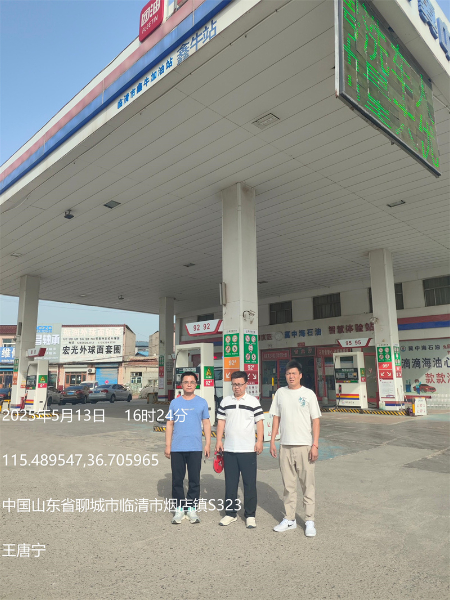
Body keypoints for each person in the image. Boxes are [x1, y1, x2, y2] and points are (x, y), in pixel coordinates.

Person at [270, 360, 321, 537]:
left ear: (300, 375)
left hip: (304, 446)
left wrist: (315, 445)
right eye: (288, 374)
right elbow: (276, 418)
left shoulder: (308, 394)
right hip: (285, 446)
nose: (291, 376)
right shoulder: (280, 393)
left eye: (294, 373)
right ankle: (290, 518)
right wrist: (272, 441)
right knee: (288, 486)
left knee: (308, 485)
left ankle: (309, 520)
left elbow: (316, 421)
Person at [215, 371, 264, 529]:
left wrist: (259, 441)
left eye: (240, 384)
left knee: (249, 484)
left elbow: (260, 422)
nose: (237, 387)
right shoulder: (225, 401)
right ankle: (230, 514)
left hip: (248, 450)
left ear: (246, 384)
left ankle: (250, 515)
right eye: (234, 384)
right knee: (231, 484)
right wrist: (219, 440)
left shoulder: (253, 401)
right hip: (229, 449)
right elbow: (221, 422)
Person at [165, 371, 211, 524]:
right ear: (181, 385)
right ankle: (179, 509)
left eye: (192, 382)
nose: (189, 384)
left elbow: (206, 423)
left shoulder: (202, 402)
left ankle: (191, 509)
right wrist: (168, 445)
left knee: (194, 479)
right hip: (177, 447)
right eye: (186, 382)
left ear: (196, 384)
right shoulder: (175, 403)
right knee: (177, 479)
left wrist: (208, 443)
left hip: (195, 447)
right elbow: (170, 424)